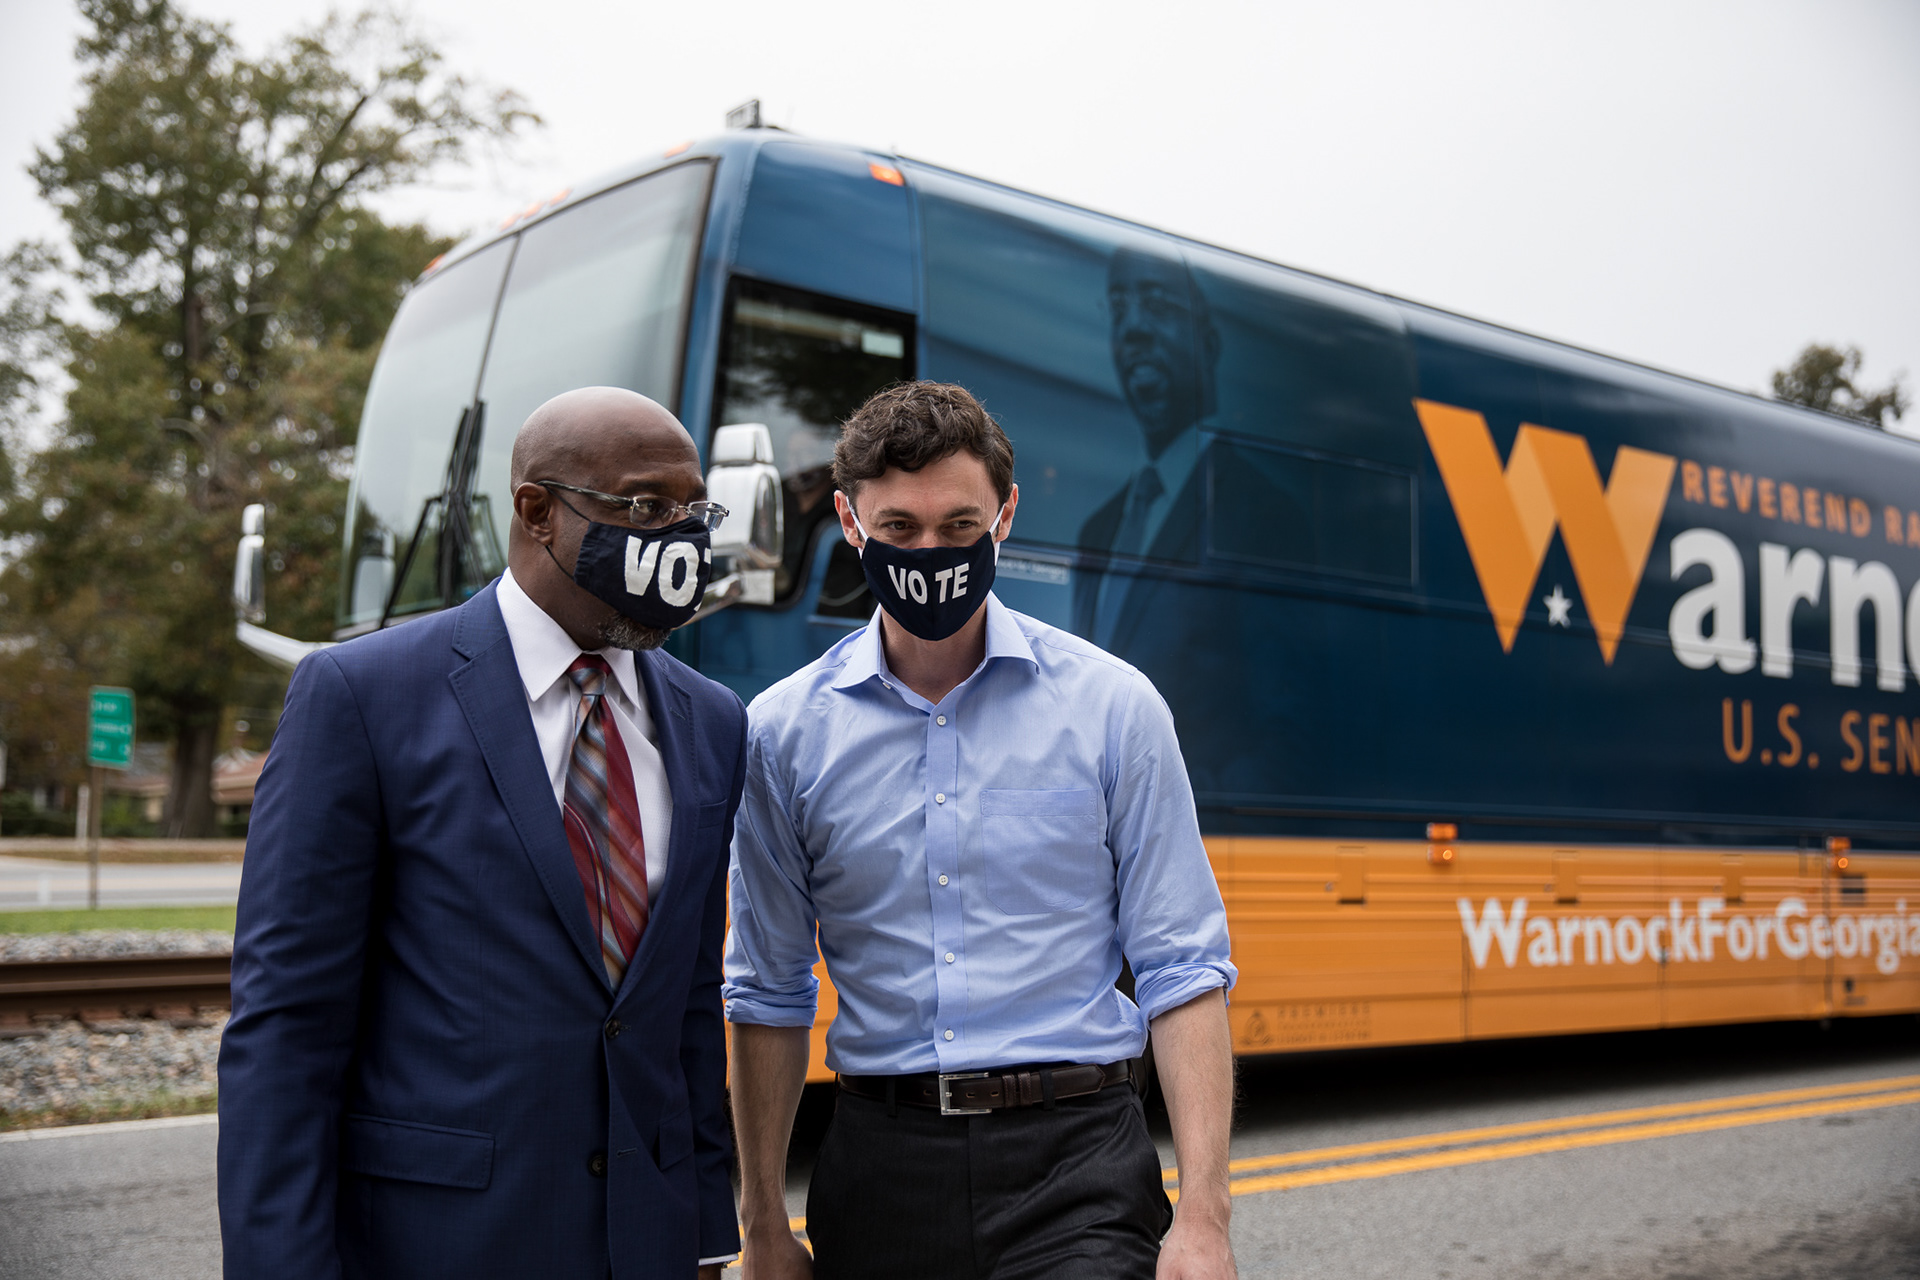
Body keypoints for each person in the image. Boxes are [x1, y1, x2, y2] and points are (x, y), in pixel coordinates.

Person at [219, 387, 747, 1279]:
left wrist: (700, 1234)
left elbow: (688, 1005)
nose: (679, 542)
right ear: (538, 512)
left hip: (644, 1247)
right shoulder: (359, 696)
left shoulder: (714, 722)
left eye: (695, 513)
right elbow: (286, 1026)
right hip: (437, 1244)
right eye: (647, 509)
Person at [725, 381, 1239, 1280]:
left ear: (1004, 517)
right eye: (899, 529)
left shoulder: (1114, 708)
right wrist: (761, 1220)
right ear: (849, 521)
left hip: (1077, 1164)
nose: (931, 553)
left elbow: (1182, 965)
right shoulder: (781, 734)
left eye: (959, 526)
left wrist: (1205, 1214)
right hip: (879, 1172)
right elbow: (767, 989)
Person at [1074, 245, 1222, 653]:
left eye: (1157, 304)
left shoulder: (1263, 513)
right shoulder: (1096, 532)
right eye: (1119, 308)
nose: (1132, 328)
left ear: (1208, 345)